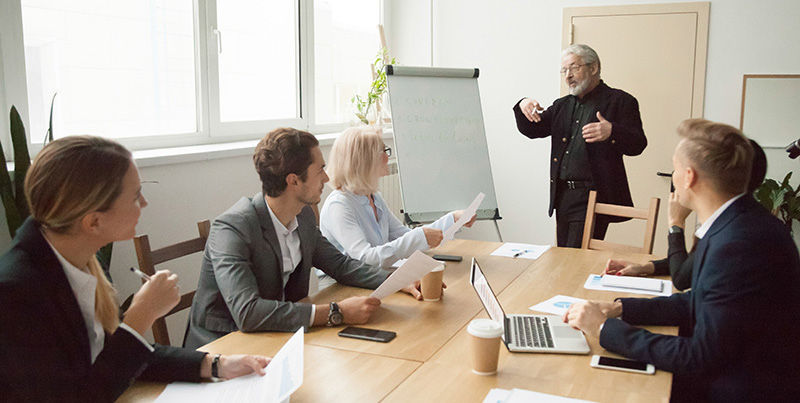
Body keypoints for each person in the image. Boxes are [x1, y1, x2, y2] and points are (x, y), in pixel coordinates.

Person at [0, 136, 268, 402]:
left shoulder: (83, 257)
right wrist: (140, 317)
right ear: (93, 222)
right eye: (135, 195)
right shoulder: (15, 293)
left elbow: (119, 355)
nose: (144, 204)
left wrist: (216, 364)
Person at [564, 119, 800, 402]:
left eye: (675, 168)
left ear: (689, 177)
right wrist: (618, 309)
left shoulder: (739, 243)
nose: (673, 177)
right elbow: (698, 300)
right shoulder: (736, 222)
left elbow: (700, 357)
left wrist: (602, 329)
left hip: (739, 388)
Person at [185, 127, 423, 349]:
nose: (327, 178)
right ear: (294, 181)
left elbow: (340, 265)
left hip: (277, 335)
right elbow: (248, 312)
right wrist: (335, 311)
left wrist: (397, 280)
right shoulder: (232, 228)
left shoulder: (304, 215)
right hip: (223, 346)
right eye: (320, 170)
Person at [513, 44, 647, 247]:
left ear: (593, 68)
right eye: (564, 70)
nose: (568, 76)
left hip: (593, 197)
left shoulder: (621, 101)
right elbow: (533, 130)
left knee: (576, 258)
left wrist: (612, 131)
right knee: (565, 256)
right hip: (563, 196)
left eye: (574, 68)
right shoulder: (562, 106)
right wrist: (522, 104)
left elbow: (638, 144)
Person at [605, 139, 767, 290]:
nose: (675, 176)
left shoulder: (735, 232)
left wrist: (676, 223)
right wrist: (645, 268)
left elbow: (682, 279)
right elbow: (694, 264)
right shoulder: (735, 215)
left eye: (678, 168)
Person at [320, 127, 476, 269]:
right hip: (343, 289)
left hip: (374, 277)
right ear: (364, 160)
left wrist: (453, 219)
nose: (388, 158)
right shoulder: (339, 205)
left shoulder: (373, 197)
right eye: (383, 151)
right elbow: (365, 259)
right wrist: (418, 237)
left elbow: (405, 236)